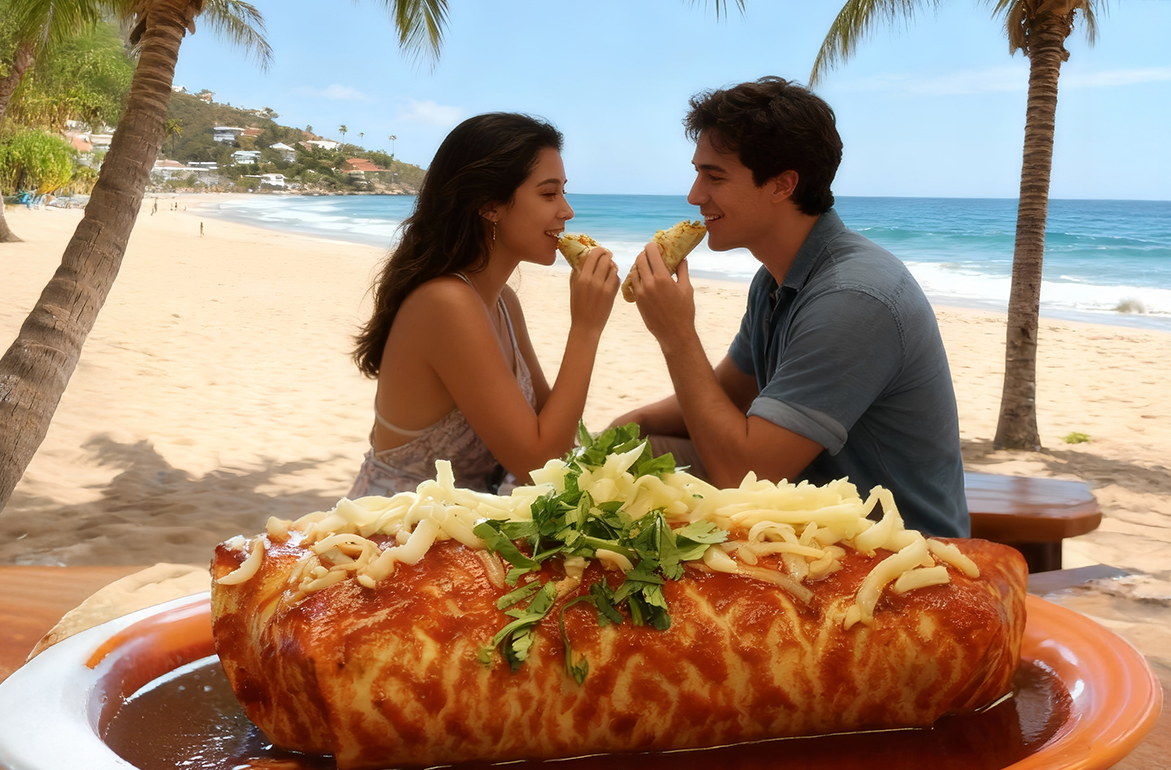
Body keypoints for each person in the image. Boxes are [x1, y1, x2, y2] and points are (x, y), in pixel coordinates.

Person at [616, 77, 969, 538]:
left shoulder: (854, 299)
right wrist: (631, 425)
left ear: (782, 184)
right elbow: (723, 397)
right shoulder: (774, 281)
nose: (694, 195)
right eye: (698, 172)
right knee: (633, 463)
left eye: (714, 176)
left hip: (894, 559)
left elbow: (745, 474)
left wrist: (676, 335)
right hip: (808, 527)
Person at [350, 113, 620, 497]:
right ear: (488, 205)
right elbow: (538, 464)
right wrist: (587, 327)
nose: (567, 211)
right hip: (396, 534)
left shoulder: (502, 302)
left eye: (564, 192)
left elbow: (554, 432)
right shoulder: (445, 303)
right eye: (548, 194)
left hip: (463, 530)